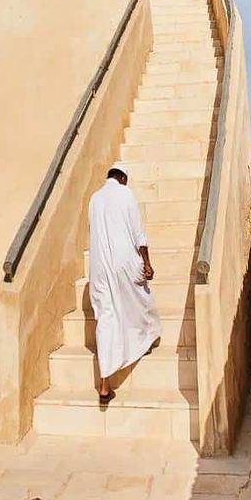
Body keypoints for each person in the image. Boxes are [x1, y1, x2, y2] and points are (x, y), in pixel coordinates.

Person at [87, 161, 162, 404]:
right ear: (123, 178)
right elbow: (139, 234)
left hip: (99, 268)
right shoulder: (126, 194)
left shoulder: (94, 199)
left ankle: (105, 385)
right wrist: (147, 263)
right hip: (124, 262)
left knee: (106, 318)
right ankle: (145, 342)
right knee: (141, 300)